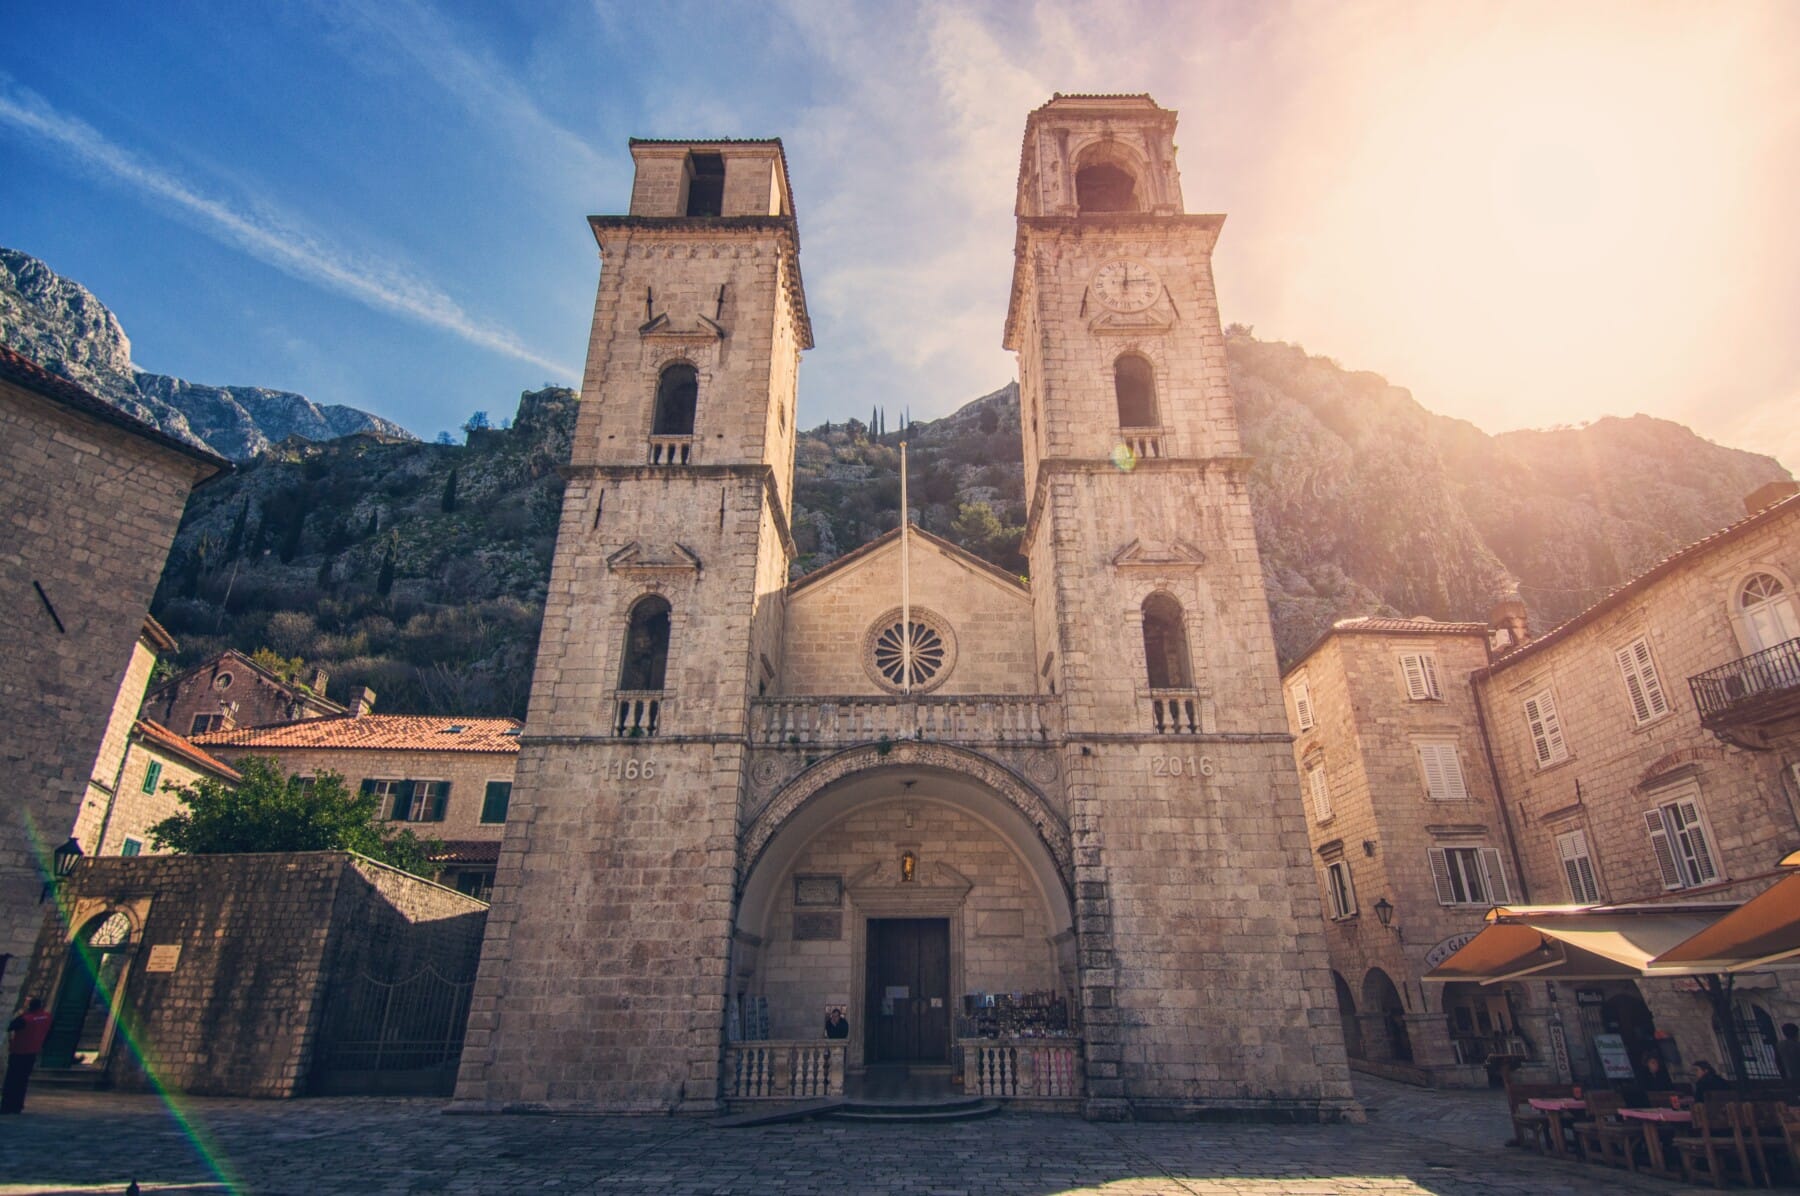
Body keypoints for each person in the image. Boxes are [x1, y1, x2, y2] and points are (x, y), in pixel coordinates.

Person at [2, 998, 53, 1114]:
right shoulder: (47, 1017)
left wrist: (21, 1013)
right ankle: (17, 1106)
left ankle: (7, 1106)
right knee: (22, 1081)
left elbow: (9, 1026)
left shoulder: (25, 1019)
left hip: (19, 1052)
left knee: (11, 1081)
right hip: (32, 1052)